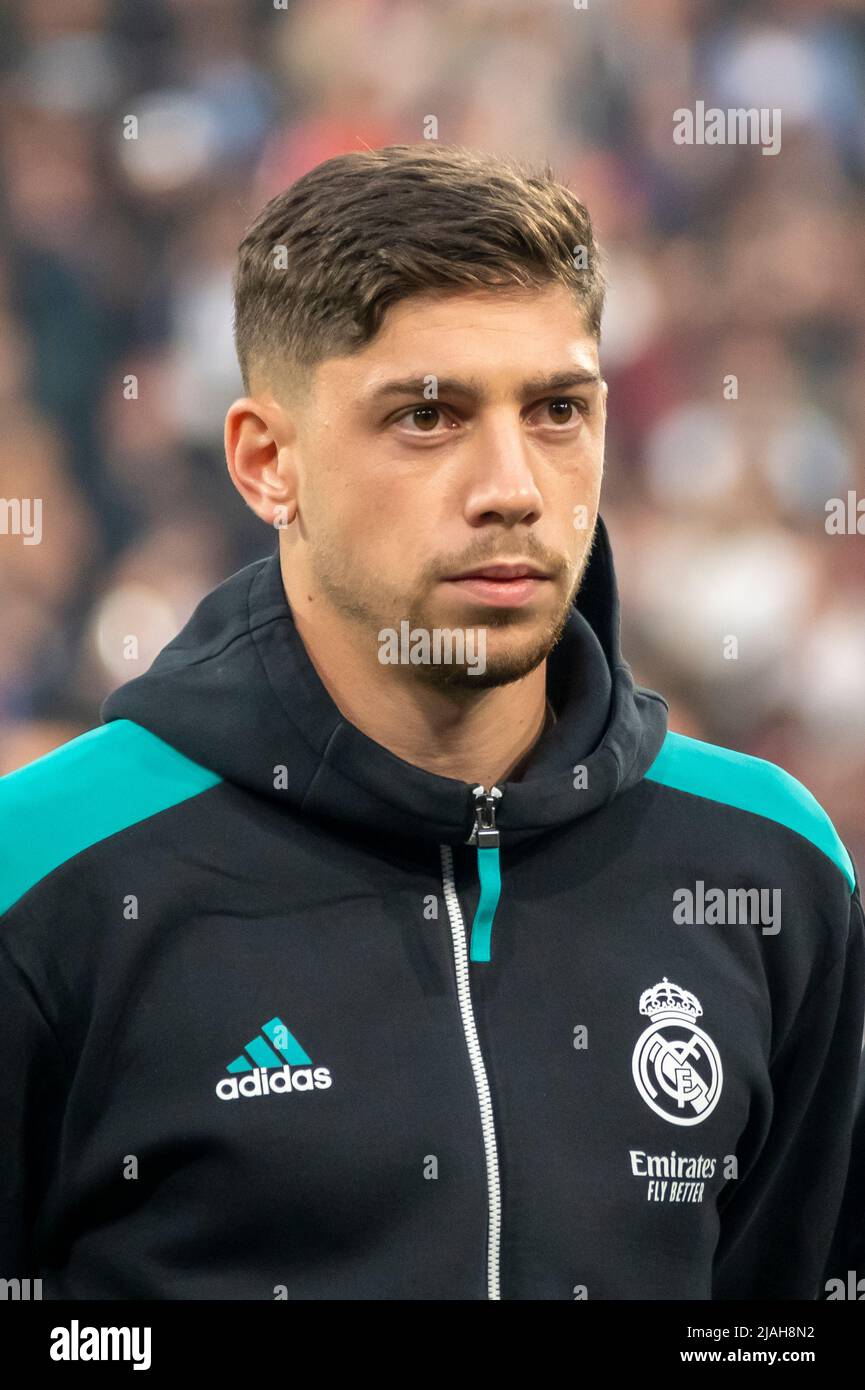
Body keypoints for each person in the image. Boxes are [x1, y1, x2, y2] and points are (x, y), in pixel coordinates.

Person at [1, 143, 862, 1301]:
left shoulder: (771, 862)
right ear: (267, 462)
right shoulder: (45, 873)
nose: (512, 484)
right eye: (425, 416)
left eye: (558, 409)